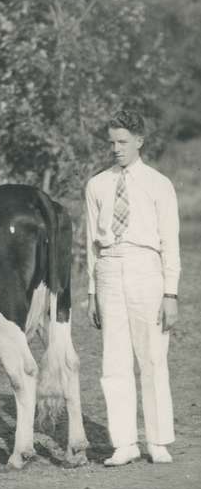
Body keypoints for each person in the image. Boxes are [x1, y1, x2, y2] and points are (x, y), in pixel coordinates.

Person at [85, 110, 180, 466]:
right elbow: (91, 243)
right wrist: (92, 292)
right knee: (114, 360)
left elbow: (170, 242)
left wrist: (170, 294)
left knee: (153, 357)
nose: (116, 149)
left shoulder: (159, 184)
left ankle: (157, 440)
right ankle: (123, 443)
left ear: (139, 141)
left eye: (123, 142)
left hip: (146, 269)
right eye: (111, 142)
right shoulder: (97, 185)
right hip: (110, 269)